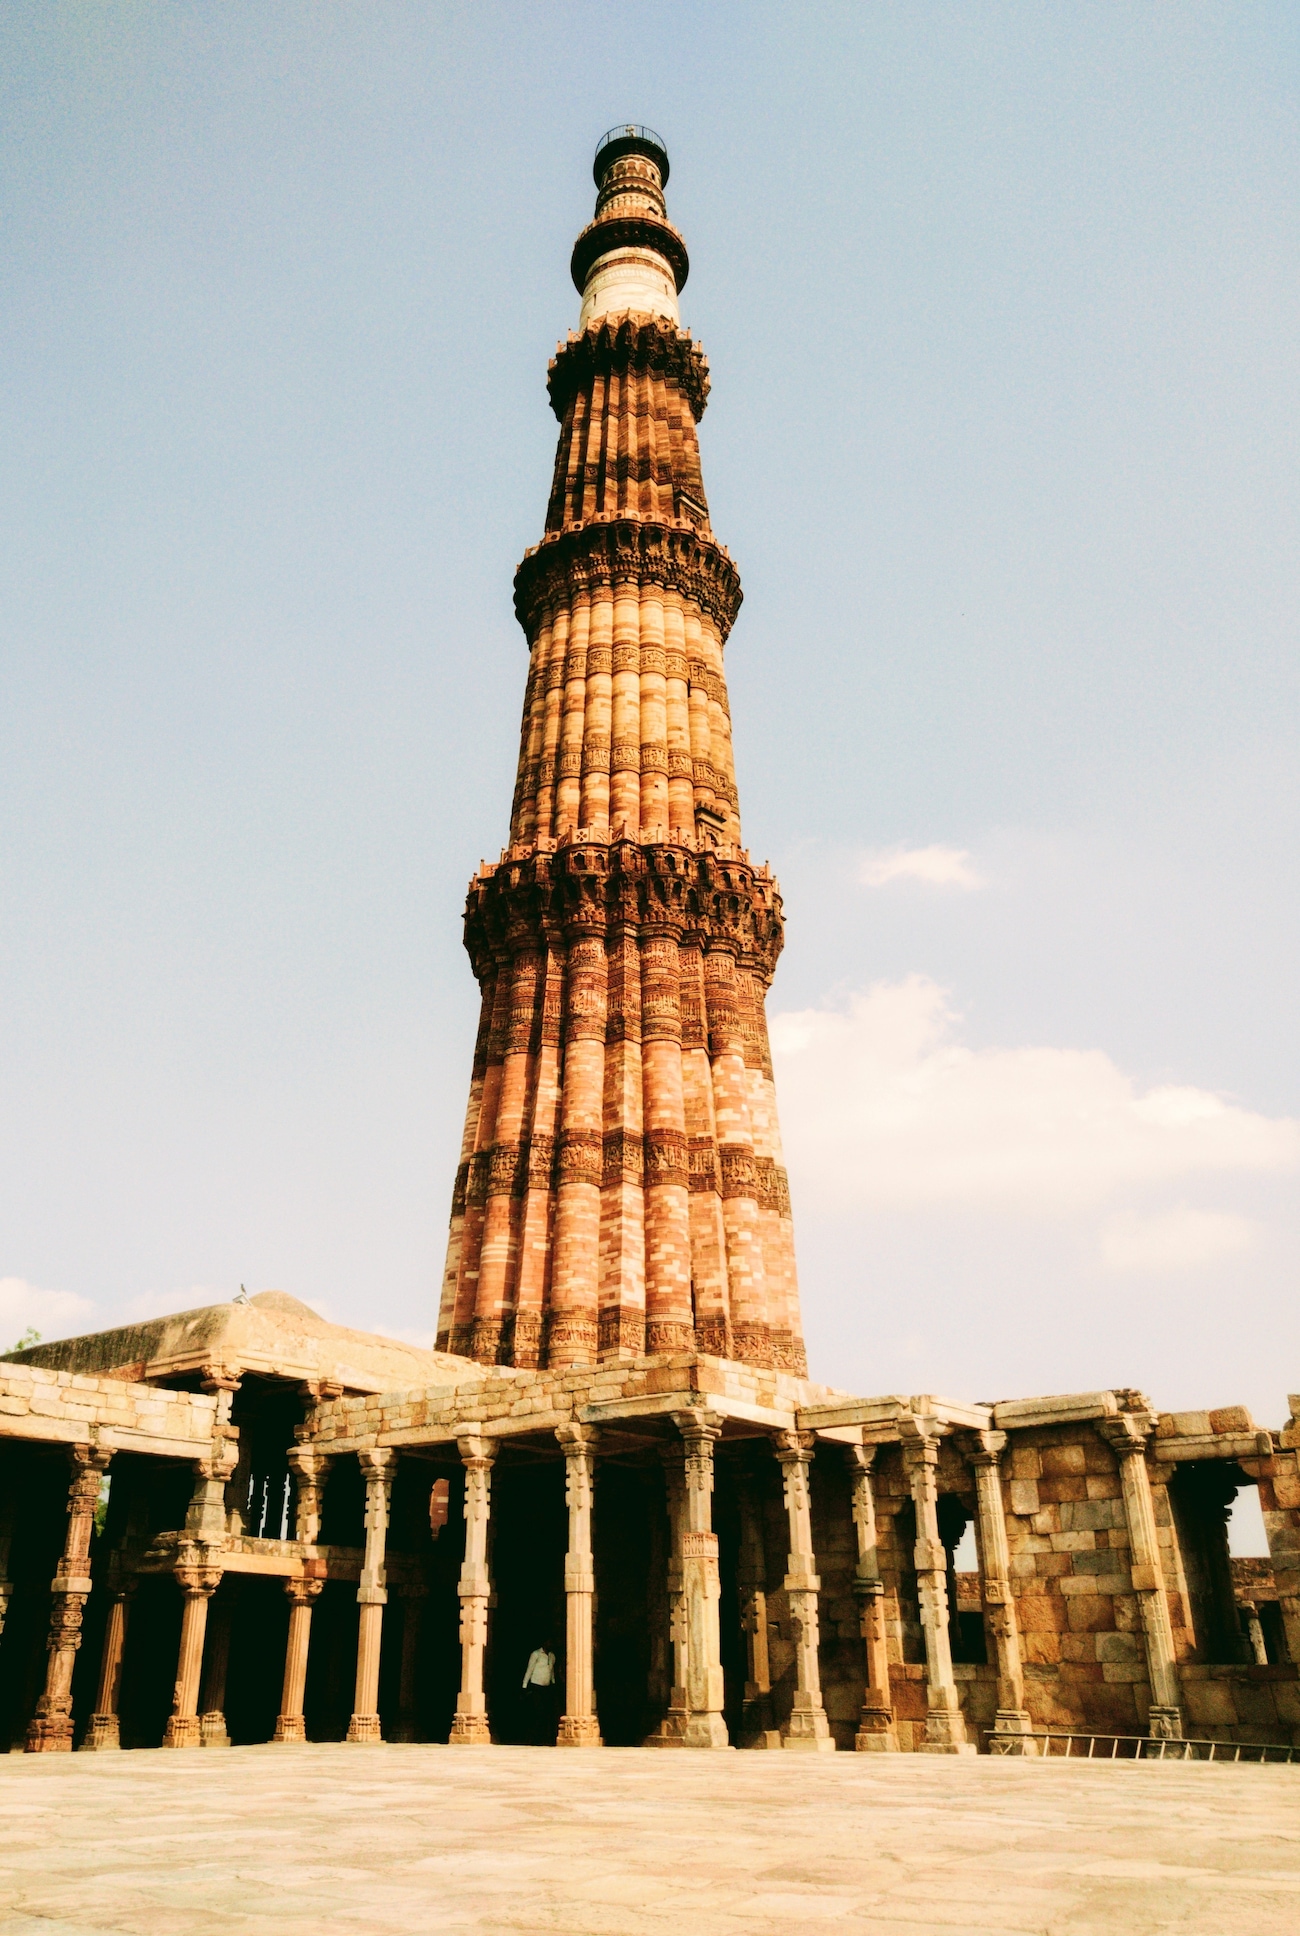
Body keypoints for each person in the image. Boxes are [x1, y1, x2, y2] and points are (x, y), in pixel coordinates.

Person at [521, 1642, 557, 1744]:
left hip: (547, 1686)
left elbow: (551, 1671)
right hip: (536, 1685)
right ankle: (533, 1737)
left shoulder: (552, 1656)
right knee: (537, 1711)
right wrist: (524, 1685)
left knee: (546, 1712)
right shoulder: (536, 1654)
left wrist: (553, 1683)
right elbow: (530, 1669)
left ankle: (543, 1737)